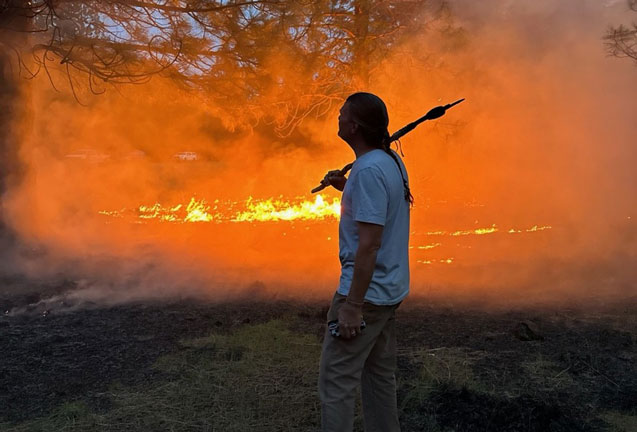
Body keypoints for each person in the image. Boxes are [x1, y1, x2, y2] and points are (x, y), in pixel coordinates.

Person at [318, 92, 411, 432]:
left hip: (366, 297)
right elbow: (379, 206)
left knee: (336, 385)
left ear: (353, 126)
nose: (338, 118)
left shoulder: (369, 169)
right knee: (379, 377)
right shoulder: (388, 161)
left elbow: (369, 245)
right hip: (388, 291)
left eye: (342, 114)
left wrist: (352, 306)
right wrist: (348, 187)